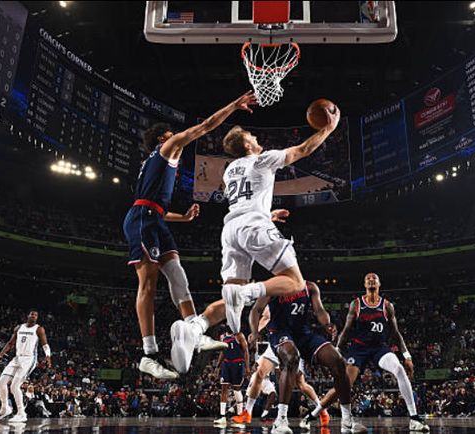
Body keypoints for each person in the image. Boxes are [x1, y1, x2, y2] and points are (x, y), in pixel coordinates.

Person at [122, 91, 257, 377]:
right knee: (148, 284)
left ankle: (194, 331)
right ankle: (148, 354)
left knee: (178, 276)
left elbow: (155, 206)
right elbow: (205, 126)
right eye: (173, 135)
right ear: (163, 138)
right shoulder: (167, 147)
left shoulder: (155, 164)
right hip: (143, 219)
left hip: (153, 217)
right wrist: (234, 105)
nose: (179, 138)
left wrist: (182, 218)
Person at [218, 105, 340, 334]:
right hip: (252, 225)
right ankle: (245, 294)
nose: (256, 138)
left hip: (231, 228)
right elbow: (303, 149)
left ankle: (203, 325)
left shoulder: (229, 170)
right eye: (251, 136)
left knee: (233, 284)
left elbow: (242, 196)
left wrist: (267, 214)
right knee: (296, 282)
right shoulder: (262, 160)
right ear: (247, 145)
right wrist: (328, 128)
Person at [313, 273, 429, 432]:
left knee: (399, 369)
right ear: (364, 284)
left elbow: (395, 333)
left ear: (379, 283)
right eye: (368, 278)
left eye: (374, 278)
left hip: (379, 348)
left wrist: (407, 356)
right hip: (358, 348)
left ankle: (414, 418)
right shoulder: (356, 304)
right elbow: (346, 331)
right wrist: (337, 351)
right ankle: (316, 413)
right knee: (345, 384)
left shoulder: (387, 306)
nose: (371, 279)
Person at [249, 280, 366, 434]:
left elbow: (320, 311)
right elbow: (256, 310)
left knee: (337, 361)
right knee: (292, 359)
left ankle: (347, 420)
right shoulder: (273, 287)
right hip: (280, 332)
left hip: (303, 333)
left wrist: (327, 324)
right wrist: (254, 332)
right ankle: (281, 420)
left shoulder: (309, 287)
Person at [232, 303, 330, 427]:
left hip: (291, 343)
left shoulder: (289, 299)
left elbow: (268, 317)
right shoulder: (273, 298)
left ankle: (321, 409)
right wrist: (256, 331)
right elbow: (266, 316)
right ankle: (247, 412)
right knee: (259, 373)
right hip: (276, 341)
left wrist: (256, 331)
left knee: (300, 383)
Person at [0, 309, 52, 423]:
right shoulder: (19, 328)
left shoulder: (39, 329)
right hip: (17, 358)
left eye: (36, 315)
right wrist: (1, 353)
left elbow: (45, 344)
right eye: (32, 314)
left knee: (14, 386)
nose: (34, 316)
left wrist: (48, 356)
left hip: (29, 359)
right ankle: (5, 408)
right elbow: (10, 343)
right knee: (1, 383)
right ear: (28, 315)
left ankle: (21, 413)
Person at [213, 328, 249, 428]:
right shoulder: (223, 337)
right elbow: (222, 352)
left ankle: (240, 416)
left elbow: (246, 351)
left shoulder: (239, 335)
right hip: (227, 364)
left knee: (237, 389)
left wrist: (247, 368)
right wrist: (217, 366)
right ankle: (222, 416)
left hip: (238, 363)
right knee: (224, 388)